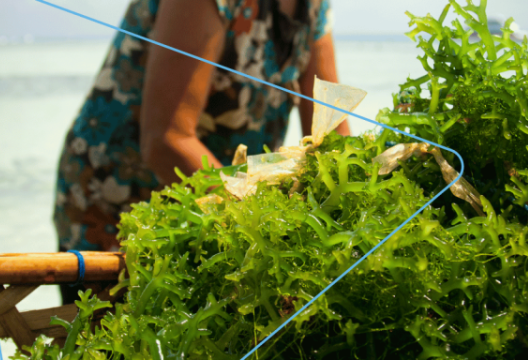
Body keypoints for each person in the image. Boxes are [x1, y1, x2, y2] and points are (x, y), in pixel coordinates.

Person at [52, 0, 350, 305]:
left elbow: (332, 140)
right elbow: (168, 140)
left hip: (215, 216)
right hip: (118, 209)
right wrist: (264, 223)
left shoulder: (313, 6)